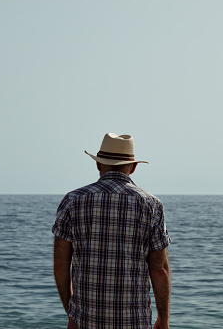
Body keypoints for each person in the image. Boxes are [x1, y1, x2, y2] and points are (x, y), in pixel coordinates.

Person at [52, 133, 171, 329]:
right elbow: (159, 269)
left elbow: (60, 263)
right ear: (133, 167)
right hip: (134, 322)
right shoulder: (152, 205)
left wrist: (72, 314)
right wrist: (163, 319)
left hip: (85, 321)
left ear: (98, 164)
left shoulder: (72, 200)